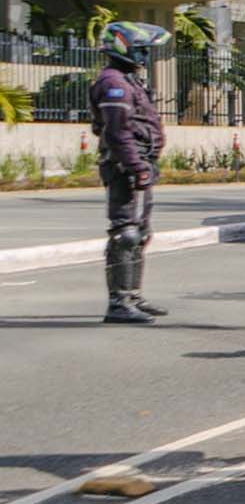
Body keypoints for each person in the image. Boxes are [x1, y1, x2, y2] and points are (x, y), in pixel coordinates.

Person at [91, 20, 172, 323]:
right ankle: (119, 303)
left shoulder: (128, 80)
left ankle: (133, 295)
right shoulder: (113, 83)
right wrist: (136, 165)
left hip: (139, 162)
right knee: (125, 233)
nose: (144, 56)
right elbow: (117, 132)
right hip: (124, 165)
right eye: (140, 50)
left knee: (140, 233)